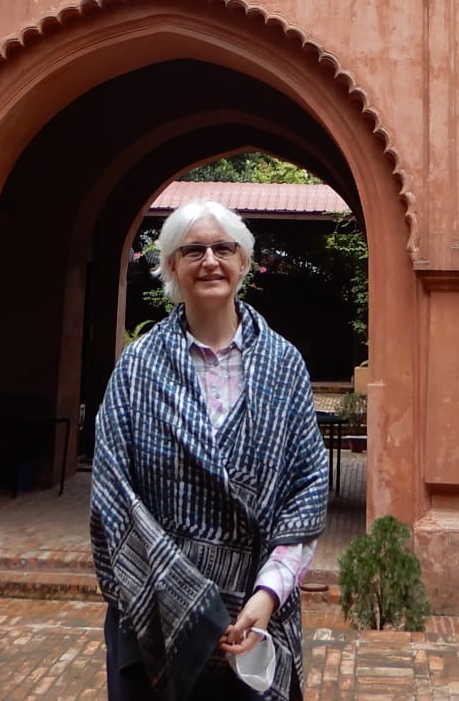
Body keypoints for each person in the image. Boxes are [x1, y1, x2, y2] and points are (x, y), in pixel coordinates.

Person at [90, 198, 331, 701]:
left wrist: (269, 594)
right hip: (155, 612)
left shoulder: (284, 366)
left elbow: (307, 490)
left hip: (254, 613)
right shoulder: (137, 367)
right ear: (171, 266)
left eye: (224, 248)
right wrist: (188, 600)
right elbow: (112, 495)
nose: (210, 261)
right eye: (193, 250)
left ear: (244, 261)